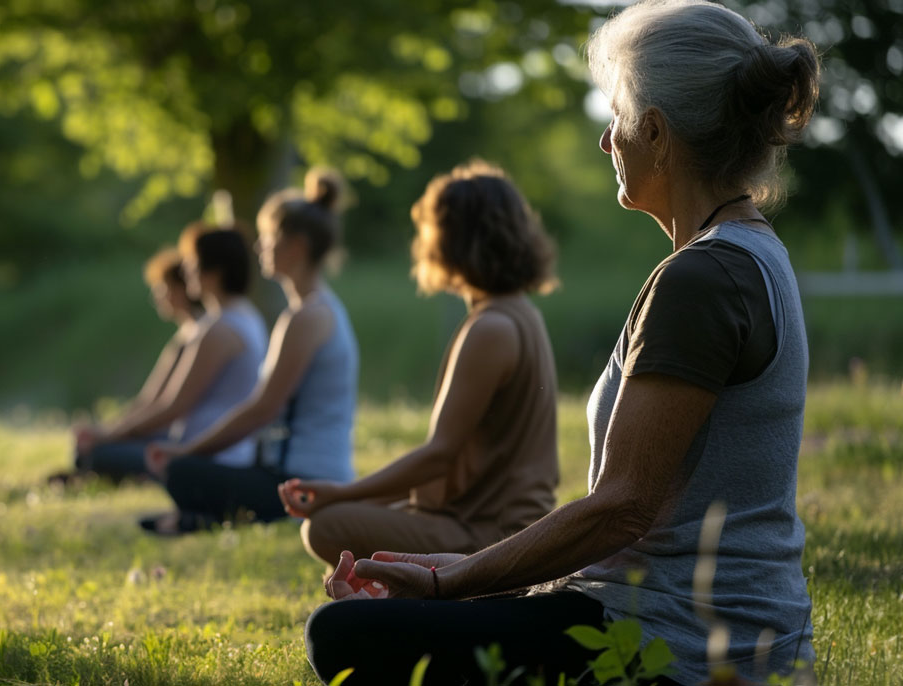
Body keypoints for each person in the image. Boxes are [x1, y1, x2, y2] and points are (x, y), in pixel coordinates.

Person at [305, 2, 820, 684]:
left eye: (616, 117)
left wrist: (447, 587)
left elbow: (620, 508)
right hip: (685, 629)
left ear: (657, 132)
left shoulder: (703, 278)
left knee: (340, 634)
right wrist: (460, 572)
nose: (607, 142)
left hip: (674, 649)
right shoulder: (747, 252)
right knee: (376, 622)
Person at [278, 161, 560, 569]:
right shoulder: (519, 314)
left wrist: (343, 495)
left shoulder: (491, 329)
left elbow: (437, 455)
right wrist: (361, 496)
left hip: (487, 536)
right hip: (481, 522)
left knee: (326, 527)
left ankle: (428, 582)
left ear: (451, 240)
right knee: (338, 518)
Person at [143, 168, 359, 535]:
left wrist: (189, 451)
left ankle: (201, 518)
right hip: (293, 478)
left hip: (303, 485)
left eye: (268, 238)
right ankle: (201, 518)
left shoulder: (308, 317)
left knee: (181, 472)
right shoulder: (313, 311)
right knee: (185, 469)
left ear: (297, 247)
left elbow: (262, 409)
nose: (259, 248)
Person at [65, 225, 268, 484]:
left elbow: (173, 407)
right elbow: (156, 402)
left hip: (208, 454)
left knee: (97, 454)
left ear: (214, 272)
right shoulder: (246, 317)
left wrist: (106, 436)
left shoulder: (218, 330)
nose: (186, 271)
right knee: (97, 452)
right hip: (214, 447)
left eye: (192, 263)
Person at [53, 247, 201, 483]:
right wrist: (107, 430)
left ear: (183, 289)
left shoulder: (201, 336)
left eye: (163, 289)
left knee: (96, 454)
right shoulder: (185, 337)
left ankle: (132, 474)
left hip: (180, 440)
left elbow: (166, 406)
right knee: (90, 451)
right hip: (168, 435)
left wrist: (109, 436)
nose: (157, 297)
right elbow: (147, 400)